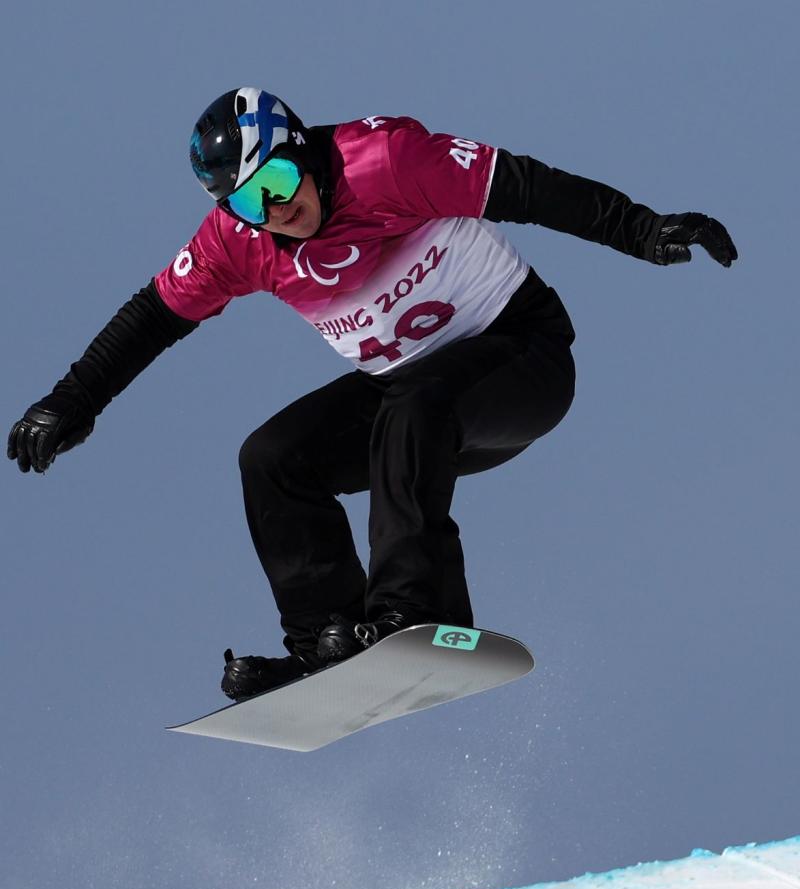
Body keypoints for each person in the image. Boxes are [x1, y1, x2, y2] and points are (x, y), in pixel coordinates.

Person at [7, 87, 737, 701]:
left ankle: (414, 616)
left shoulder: (383, 161)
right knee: (273, 458)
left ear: (302, 148)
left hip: (524, 362)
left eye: (279, 183)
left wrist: (643, 230)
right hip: (410, 409)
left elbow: (525, 187)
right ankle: (328, 642)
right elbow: (152, 317)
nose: (275, 210)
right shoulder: (242, 239)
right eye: (251, 203)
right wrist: (72, 402)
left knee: (415, 405)